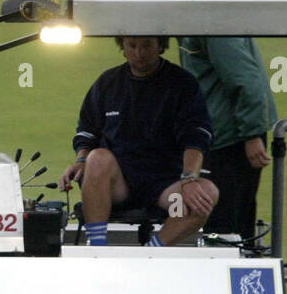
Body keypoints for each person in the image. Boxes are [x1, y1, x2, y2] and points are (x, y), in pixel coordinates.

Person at [58, 36, 217, 247]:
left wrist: (188, 178)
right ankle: (97, 246)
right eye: (132, 46)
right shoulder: (108, 82)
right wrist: (81, 161)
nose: (139, 53)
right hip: (119, 183)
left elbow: (196, 137)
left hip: (167, 184)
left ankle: (153, 250)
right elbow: (87, 131)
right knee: (97, 158)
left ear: (160, 46)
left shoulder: (182, 84)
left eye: (147, 46)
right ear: (122, 48)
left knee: (206, 193)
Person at [177, 36, 277, 238]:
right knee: (226, 223)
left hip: (230, 138)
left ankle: (229, 267)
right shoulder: (197, 18)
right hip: (220, 133)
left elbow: (244, 78)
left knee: (225, 228)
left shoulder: (213, 23)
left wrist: (252, 135)